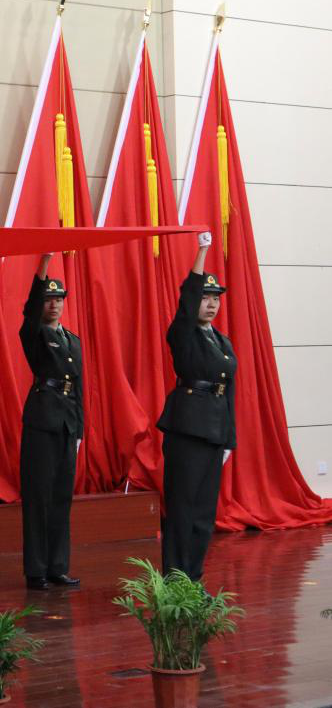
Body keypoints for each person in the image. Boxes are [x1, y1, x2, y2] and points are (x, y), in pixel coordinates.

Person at [157, 231, 236, 581]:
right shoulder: (184, 333)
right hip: (188, 429)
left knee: (204, 512)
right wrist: (202, 252)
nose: (212, 304)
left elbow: (228, 390)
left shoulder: (222, 342)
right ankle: (176, 579)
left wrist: (229, 439)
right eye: (206, 297)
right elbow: (186, 304)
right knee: (183, 507)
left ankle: (194, 578)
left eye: (216, 298)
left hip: (214, 430)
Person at [18, 253, 83, 590]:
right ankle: (37, 569)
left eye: (58, 299)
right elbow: (30, 312)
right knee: (39, 496)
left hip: (67, 424)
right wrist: (42, 267)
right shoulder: (35, 334)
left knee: (61, 496)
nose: (54, 305)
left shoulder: (72, 340)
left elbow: (78, 386)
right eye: (48, 299)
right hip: (42, 421)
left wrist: (79, 430)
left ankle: (58, 566)